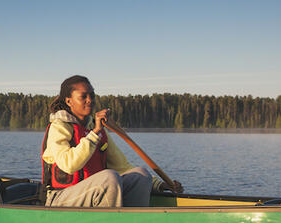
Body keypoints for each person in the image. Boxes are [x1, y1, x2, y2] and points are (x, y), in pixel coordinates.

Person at [41, 75, 182, 207]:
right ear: (68, 101)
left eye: (92, 95)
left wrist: (159, 185)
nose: (89, 100)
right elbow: (69, 165)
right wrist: (95, 133)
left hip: (91, 193)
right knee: (109, 177)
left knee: (141, 175)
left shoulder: (98, 131)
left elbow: (123, 167)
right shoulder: (59, 127)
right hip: (59, 198)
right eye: (83, 96)